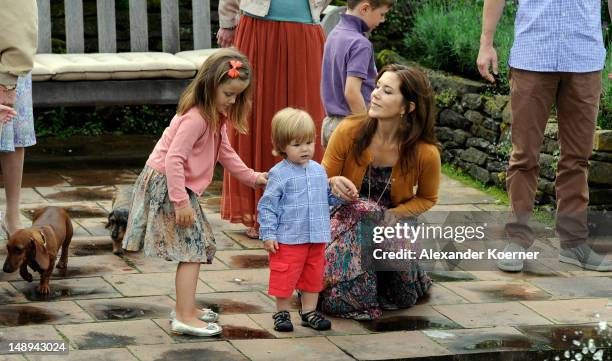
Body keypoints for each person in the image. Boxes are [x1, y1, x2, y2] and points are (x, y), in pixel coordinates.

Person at [122, 48, 268, 337]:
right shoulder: (196, 118)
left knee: (195, 248)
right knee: (191, 251)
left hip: (177, 186)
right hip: (169, 186)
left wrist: (253, 178)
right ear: (209, 86)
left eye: (237, 95)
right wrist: (180, 203)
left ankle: (186, 307)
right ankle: (184, 315)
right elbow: (173, 159)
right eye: (228, 94)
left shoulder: (215, 116)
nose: (233, 100)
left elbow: (225, 153)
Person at [477, 0, 612, 272]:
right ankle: (516, 240)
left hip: (584, 57)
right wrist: (486, 43)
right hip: (533, 55)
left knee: (577, 158)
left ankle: (574, 244)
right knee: (524, 155)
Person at [321, 64, 440, 320]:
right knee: (364, 211)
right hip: (343, 219)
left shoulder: (425, 152)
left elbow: (427, 198)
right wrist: (332, 182)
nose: (374, 94)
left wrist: (396, 214)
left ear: (407, 107)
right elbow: (318, 178)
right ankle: (340, 289)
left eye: (387, 91)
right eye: (377, 87)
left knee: (402, 297)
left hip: (391, 224)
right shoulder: (348, 130)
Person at [217, 0, 331, 239]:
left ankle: (303, 211)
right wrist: (228, 22)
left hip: (304, 32)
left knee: (305, 114)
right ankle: (259, 212)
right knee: (255, 113)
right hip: (259, 30)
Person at [258, 108, 345, 332]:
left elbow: (325, 199)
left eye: (308, 142)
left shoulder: (319, 171)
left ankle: (309, 312)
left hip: (316, 237)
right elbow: (268, 206)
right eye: (297, 144)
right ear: (282, 146)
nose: (305, 148)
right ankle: (282, 312)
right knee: (284, 275)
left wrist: (340, 195)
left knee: (313, 276)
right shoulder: (279, 174)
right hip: (288, 238)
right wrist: (268, 233)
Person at [320, 0, 394, 149]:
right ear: (365, 8)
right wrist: (367, 128)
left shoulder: (334, 33)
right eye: (381, 14)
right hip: (352, 127)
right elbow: (352, 92)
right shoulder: (360, 43)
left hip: (330, 124)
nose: (382, 20)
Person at [0, 0, 38, 238]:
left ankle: (12, 214)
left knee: (12, 135)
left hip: (6, 64)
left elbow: (19, 15)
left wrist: (7, 79)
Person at [1, 74, 37, 237]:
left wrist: (8, 85)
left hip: (11, 61)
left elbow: (20, 48)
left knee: (13, 128)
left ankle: (12, 215)